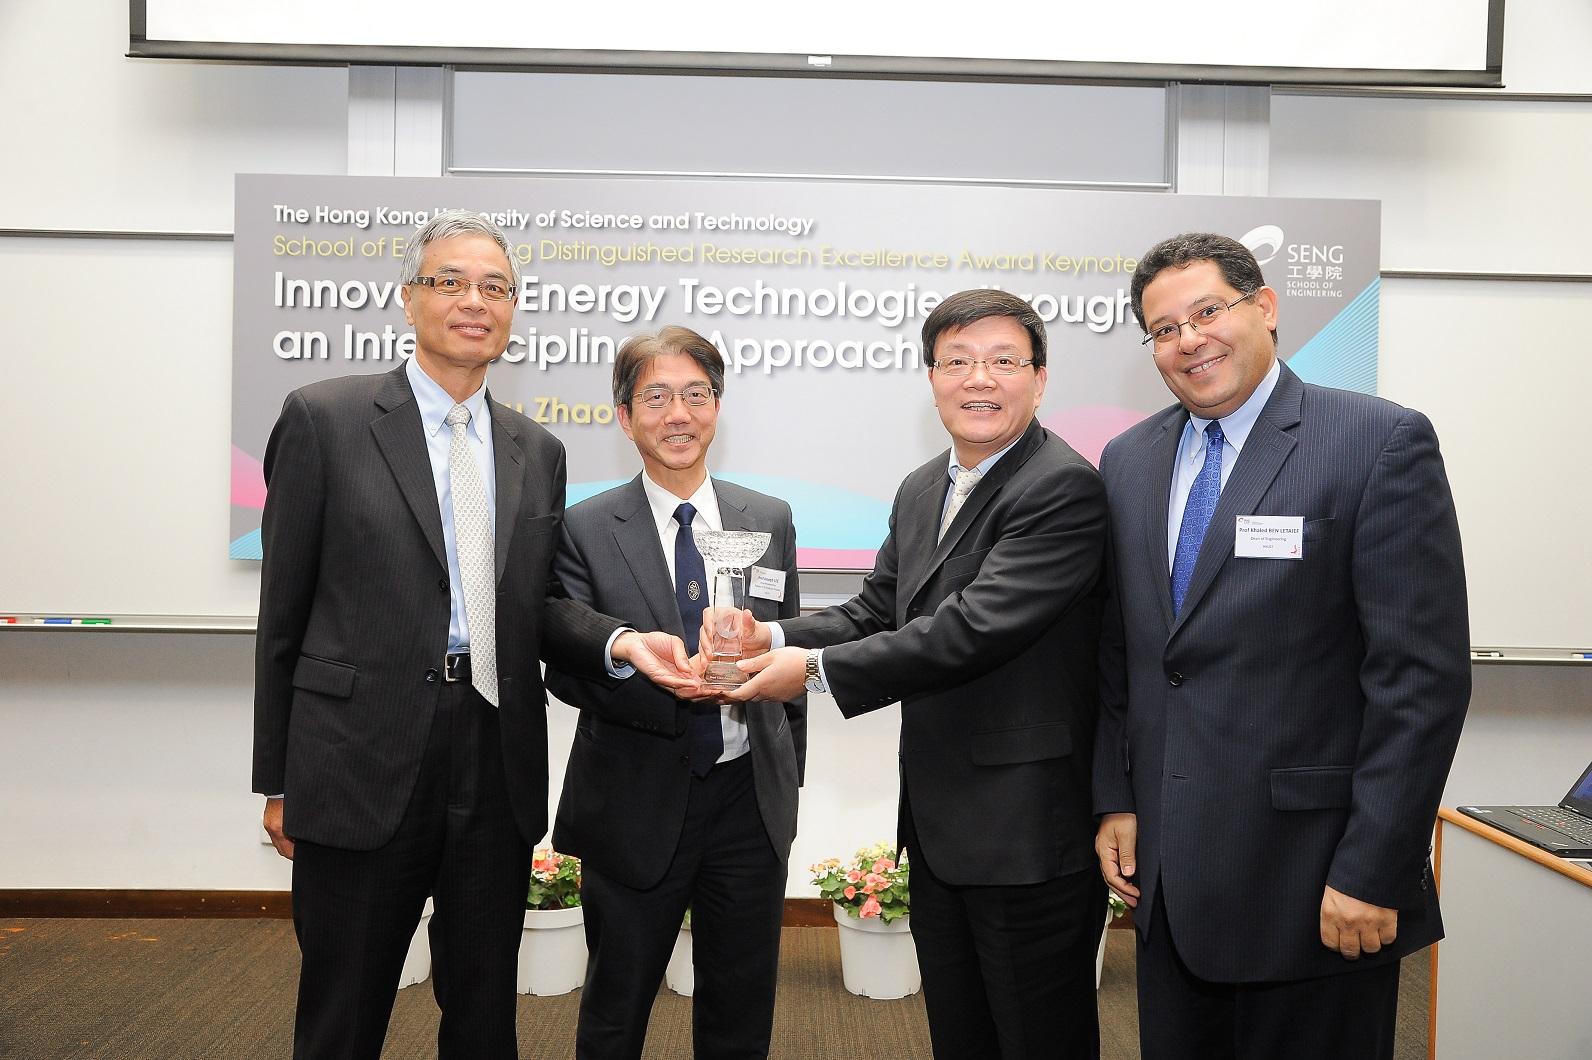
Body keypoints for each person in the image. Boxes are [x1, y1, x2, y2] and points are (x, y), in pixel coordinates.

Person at [252, 210, 696, 1059]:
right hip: (358, 754)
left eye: (495, 287)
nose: (474, 301)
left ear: (514, 310)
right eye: (450, 282)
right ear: (409, 300)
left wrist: (625, 641)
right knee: (345, 1009)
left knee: (487, 1008)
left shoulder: (538, 449)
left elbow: (537, 606)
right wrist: (278, 778)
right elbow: (284, 614)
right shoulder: (324, 419)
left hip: (494, 752)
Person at [1092, 232, 1470, 1060]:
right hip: (1172, 883)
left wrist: (1375, 870)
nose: (1189, 339)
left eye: (1207, 311)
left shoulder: (1377, 441)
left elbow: (1420, 683)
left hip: (1315, 884)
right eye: (1163, 328)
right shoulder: (1128, 460)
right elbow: (1128, 653)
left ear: (1264, 308)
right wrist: (1116, 795)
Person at [718, 289, 1110, 1059]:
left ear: (1040, 377)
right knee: (962, 1033)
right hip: (939, 826)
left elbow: (969, 630)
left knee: (1037, 1038)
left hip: (1026, 832)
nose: (979, 380)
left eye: (1003, 361)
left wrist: (811, 671)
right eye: (956, 361)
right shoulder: (923, 485)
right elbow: (876, 609)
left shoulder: (1062, 486)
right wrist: (767, 633)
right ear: (931, 376)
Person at [542, 325, 806, 1059]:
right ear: (624, 417)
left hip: (747, 805)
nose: (679, 414)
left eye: (696, 394)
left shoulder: (768, 520)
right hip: (634, 800)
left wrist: (786, 786)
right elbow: (566, 665)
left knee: (740, 1011)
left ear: (718, 408)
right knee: (614, 1011)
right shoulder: (584, 527)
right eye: (656, 396)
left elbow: (788, 660)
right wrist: (639, 666)